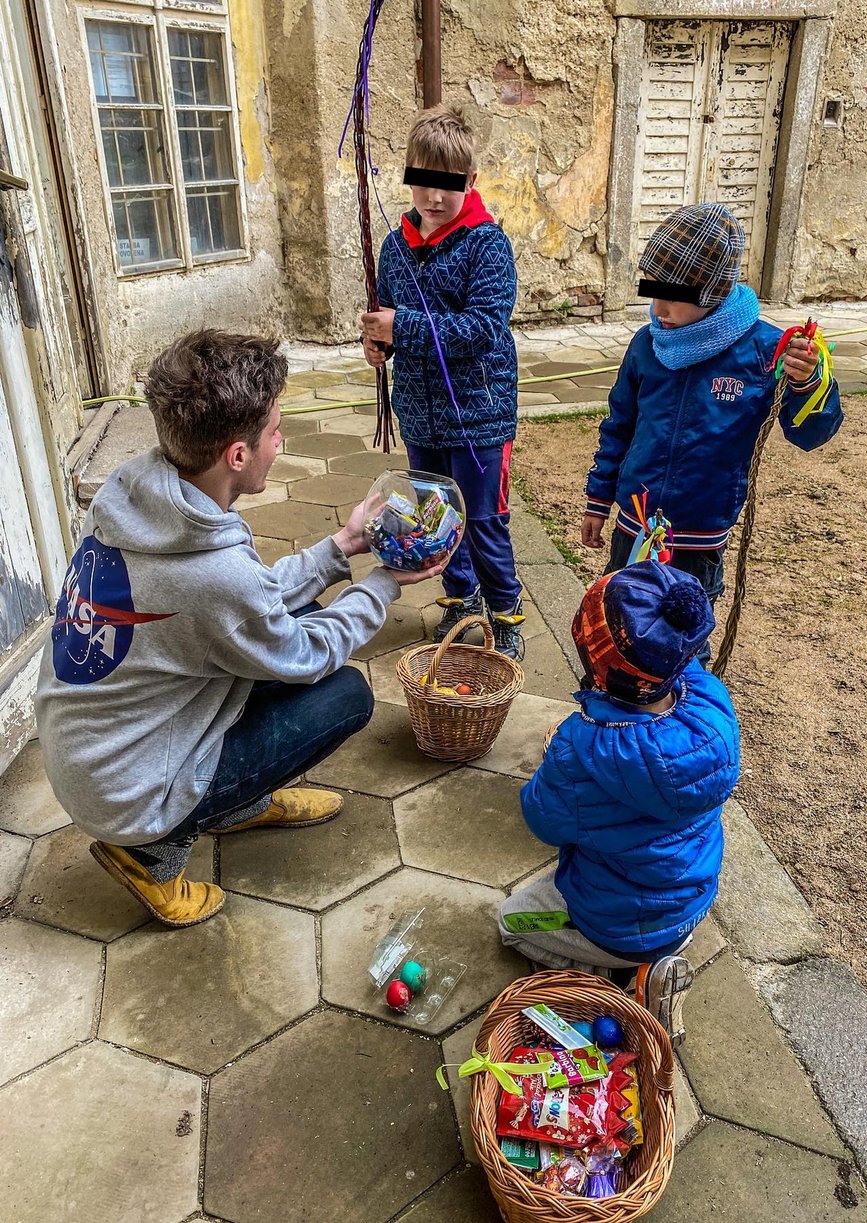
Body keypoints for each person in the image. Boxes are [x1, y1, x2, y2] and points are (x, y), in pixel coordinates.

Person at [34, 330, 444, 929]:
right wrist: (381, 584)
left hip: (91, 752)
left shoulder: (141, 493)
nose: (282, 442)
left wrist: (343, 546)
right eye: (275, 431)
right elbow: (297, 647)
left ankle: (236, 798)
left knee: (290, 628)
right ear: (236, 454)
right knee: (346, 694)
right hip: (126, 792)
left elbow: (246, 610)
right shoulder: (212, 572)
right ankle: (151, 853)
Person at [581, 202, 843, 650]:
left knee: (682, 640)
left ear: (714, 291)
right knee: (620, 623)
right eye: (652, 289)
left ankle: (681, 714)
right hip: (636, 526)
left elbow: (810, 433)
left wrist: (807, 382)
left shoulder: (764, 351)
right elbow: (620, 425)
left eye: (674, 295)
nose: (657, 306)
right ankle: (615, 708)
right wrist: (599, 498)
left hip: (697, 536)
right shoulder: (648, 344)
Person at [498, 561, 740, 1043]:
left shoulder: (580, 746)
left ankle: (611, 982)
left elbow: (541, 819)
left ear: (596, 664)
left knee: (511, 921)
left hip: (616, 925)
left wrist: (555, 765)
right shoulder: (712, 699)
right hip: (690, 904)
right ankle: (654, 961)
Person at [361, 104, 525, 658]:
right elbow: (387, 312)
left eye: (447, 185)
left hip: (479, 414)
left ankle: (506, 609)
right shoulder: (394, 246)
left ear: (470, 182)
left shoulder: (488, 246)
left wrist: (401, 325)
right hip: (420, 410)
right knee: (437, 516)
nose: (433, 197)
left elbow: (483, 328)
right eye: (423, 181)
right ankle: (461, 597)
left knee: (481, 519)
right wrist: (378, 343)